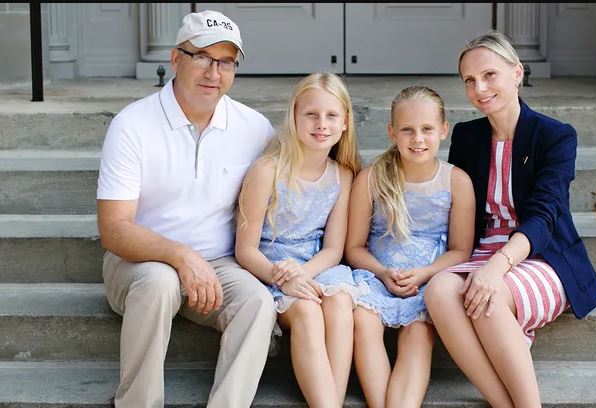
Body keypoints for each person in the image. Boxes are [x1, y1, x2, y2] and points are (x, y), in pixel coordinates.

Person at [96, 10, 276, 408]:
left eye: (226, 62)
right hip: (139, 261)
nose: (214, 72)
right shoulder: (132, 125)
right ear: (176, 58)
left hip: (219, 265)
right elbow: (114, 228)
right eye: (202, 57)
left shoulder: (255, 128)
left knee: (258, 302)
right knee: (159, 282)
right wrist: (180, 255)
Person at [424, 31, 596, 407]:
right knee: (439, 291)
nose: (479, 88)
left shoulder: (555, 136)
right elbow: (455, 202)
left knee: (487, 295)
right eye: (469, 80)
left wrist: (497, 266)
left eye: (489, 75)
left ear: (517, 73)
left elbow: (545, 215)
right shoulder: (467, 136)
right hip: (480, 250)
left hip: (540, 254)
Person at [235, 72, 364, 408]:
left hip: (316, 266)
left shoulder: (343, 175)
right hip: (271, 269)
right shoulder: (267, 170)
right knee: (307, 311)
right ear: (293, 117)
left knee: (339, 303)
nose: (321, 124)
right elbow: (245, 249)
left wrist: (304, 273)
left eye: (331, 115)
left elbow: (334, 248)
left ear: (345, 122)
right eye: (311, 114)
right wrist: (285, 278)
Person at [345, 86, 475, 408]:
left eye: (427, 129)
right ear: (392, 132)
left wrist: (426, 273)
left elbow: (460, 250)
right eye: (407, 130)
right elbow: (354, 247)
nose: (418, 139)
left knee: (418, 333)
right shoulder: (371, 178)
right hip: (377, 276)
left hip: (428, 279)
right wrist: (382, 272)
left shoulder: (456, 181)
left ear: (443, 130)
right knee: (363, 321)